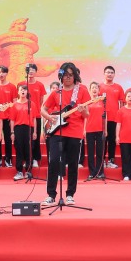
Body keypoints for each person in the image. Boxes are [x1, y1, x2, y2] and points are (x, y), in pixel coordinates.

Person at [41, 62, 89, 205]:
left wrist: (82, 110)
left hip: (75, 131)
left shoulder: (82, 90)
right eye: (65, 75)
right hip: (58, 131)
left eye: (71, 75)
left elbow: (87, 115)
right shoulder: (57, 92)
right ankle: (51, 195)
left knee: (73, 163)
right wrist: (50, 117)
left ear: (75, 76)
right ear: (61, 76)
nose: (68, 78)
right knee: (54, 161)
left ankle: (70, 195)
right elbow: (43, 109)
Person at [20, 64, 47, 168]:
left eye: (33, 70)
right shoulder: (21, 84)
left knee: (35, 137)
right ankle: (26, 159)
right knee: (24, 139)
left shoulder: (40, 85)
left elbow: (41, 100)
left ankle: (35, 158)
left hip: (36, 115)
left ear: (36, 72)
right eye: (29, 70)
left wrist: (36, 110)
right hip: (23, 116)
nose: (30, 71)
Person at [98, 65, 124, 169]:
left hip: (114, 118)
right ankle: (102, 160)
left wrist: (121, 116)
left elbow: (121, 103)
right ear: (104, 74)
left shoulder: (118, 87)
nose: (109, 74)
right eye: (108, 72)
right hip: (102, 118)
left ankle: (111, 160)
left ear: (114, 74)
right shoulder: (99, 86)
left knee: (112, 140)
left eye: (111, 72)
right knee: (103, 139)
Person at [10, 85, 35, 180]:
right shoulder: (14, 104)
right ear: (18, 92)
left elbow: (34, 118)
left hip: (29, 128)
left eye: (25, 90)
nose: (23, 91)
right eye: (21, 90)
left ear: (27, 92)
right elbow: (12, 120)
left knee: (29, 149)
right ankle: (19, 171)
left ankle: (28, 170)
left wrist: (35, 132)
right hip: (18, 128)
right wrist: (12, 132)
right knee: (19, 149)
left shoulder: (31, 104)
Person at [0, 65, 17, 168]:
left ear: (6, 73)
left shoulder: (12, 87)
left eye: (3, 72)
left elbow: (15, 103)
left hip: (8, 118)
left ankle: (8, 159)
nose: (1, 74)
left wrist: (13, 117)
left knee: (8, 139)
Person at [85, 82, 106, 180]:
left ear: (99, 90)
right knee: (90, 152)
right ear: (90, 90)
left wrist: (105, 129)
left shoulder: (102, 101)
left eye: (96, 88)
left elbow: (105, 116)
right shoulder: (87, 102)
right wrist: (84, 129)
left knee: (99, 151)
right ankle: (92, 172)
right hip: (89, 129)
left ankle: (100, 172)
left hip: (100, 129)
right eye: (92, 88)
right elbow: (85, 117)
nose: (94, 89)